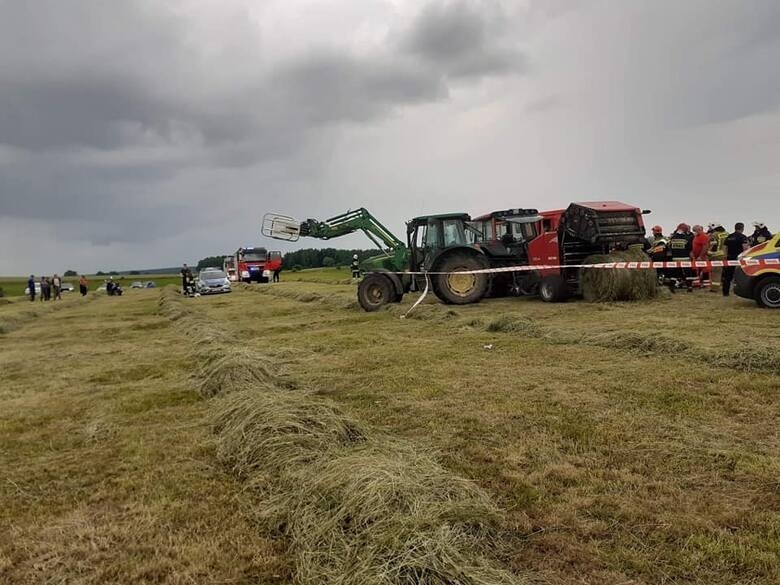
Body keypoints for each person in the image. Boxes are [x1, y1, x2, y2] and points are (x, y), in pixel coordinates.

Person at [721, 222, 750, 297]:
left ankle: (725, 292)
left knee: (728, 276)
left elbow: (724, 248)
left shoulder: (729, 236)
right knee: (739, 275)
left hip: (729, 258)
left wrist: (725, 256)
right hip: (738, 259)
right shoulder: (743, 237)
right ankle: (740, 292)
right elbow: (745, 248)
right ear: (742, 228)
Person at [668, 223, 694, 291]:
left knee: (674, 273)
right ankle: (689, 287)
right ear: (685, 230)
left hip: (675, 258)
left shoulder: (672, 237)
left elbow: (669, 247)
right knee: (688, 273)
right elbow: (690, 249)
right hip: (685, 258)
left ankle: (672, 287)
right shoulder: (687, 238)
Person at [707, 223, 728, 292]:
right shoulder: (727, 233)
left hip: (716, 255)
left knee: (716, 272)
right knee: (724, 272)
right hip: (726, 255)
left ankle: (714, 288)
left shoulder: (714, 235)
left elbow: (713, 246)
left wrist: (708, 253)